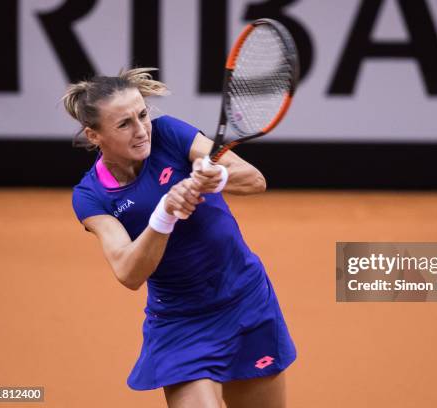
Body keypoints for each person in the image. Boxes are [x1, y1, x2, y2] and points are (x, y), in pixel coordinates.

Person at [64, 68, 296, 408]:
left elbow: (254, 180)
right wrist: (165, 213)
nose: (142, 130)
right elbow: (128, 272)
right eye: (124, 124)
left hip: (244, 300)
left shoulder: (170, 134)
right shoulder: (91, 196)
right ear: (94, 135)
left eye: (142, 114)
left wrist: (215, 176)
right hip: (181, 323)